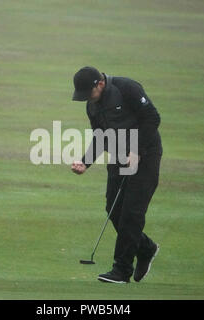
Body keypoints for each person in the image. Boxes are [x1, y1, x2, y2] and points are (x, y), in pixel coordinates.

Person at [71, 66, 163, 283]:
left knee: (131, 213)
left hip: (146, 155)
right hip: (119, 155)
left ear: (100, 84)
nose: (87, 99)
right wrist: (85, 162)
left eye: (88, 94)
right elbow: (100, 135)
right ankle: (146, 248)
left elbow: (152, 117)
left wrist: (136, 150)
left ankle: (121, 270)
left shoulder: (127, 88)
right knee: (114, 208)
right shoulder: (92, 106)